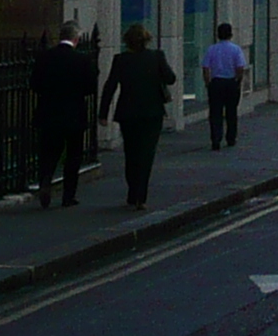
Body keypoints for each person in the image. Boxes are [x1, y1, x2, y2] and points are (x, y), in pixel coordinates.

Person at [97, 22, 177, 210]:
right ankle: (141, 196)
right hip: (152, 113)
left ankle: (133, 191)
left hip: (128, 113)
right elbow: (171, 78)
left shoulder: (121, 60)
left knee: (131, 153)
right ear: (146, 40)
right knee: (146, 154)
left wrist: (103, 114)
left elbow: (110, 87)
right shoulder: (156, 57)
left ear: (128, 42)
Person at [29, 29, 96, 207]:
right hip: (74, 113)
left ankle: (45, 180)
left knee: (48, 152)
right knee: (73, 155)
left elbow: (34, 84)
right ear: (76, 38)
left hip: (49, 112)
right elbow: (91, 87)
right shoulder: (82, 59)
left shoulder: (44, 57)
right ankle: (68, 196)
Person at [201, 21, 247, 149]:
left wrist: (207, 83)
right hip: (230, 82)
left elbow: (205, 68)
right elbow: (240, 68)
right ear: (231, 35)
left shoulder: (211, 49)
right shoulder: (236, 49)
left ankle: (216, 139)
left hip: (216, 83)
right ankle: (231, 138)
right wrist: (238, 81)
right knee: (231, 112)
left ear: (218, 35)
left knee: (215, 113)